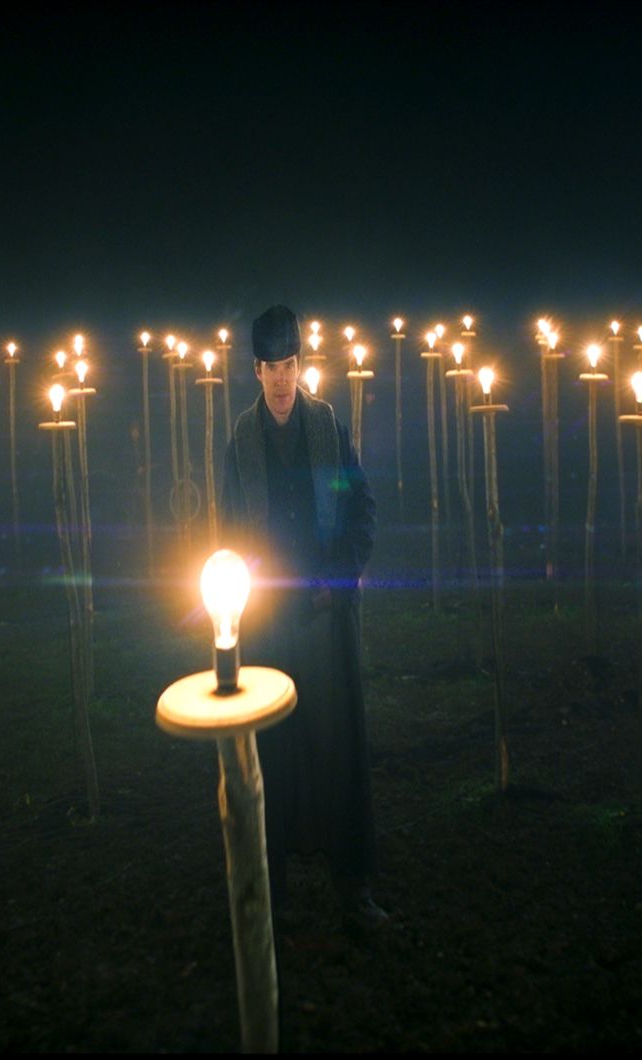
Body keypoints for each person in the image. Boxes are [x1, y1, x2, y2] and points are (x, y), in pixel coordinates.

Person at [220, 304, 386, 934]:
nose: (283, 381)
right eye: (272, 369)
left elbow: (358, 508)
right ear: (257, 371)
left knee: (338, 746)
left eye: (292, 366)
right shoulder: (241, 443)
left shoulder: (327, 428)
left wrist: (336, 580)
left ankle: (353, 886)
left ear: (300, 366)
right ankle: (271, 888)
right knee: (271, 753)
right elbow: (230, 530)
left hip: (322, 614)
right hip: (268, 619)